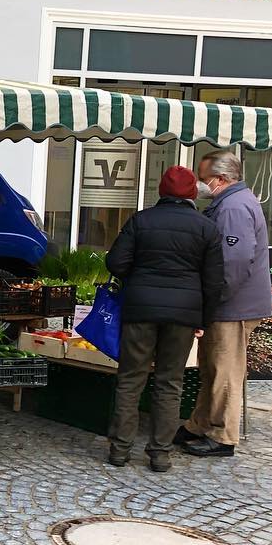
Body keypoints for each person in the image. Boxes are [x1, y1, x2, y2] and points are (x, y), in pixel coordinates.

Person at [105, 165, 225, 472]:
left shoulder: (141, 220)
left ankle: (119, 451)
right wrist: (203, 319)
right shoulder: (206, 227)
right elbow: (214, 282)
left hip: (140, 309)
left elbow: (116, 262)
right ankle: (159, 454)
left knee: (131, 379)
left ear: (162, 191)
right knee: (170, 383)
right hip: (184, 314)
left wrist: (140, 274)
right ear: (191, 194)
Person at [175, 150, 272, 458]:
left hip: (232, 305)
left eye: (204, 179)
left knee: (225, 370)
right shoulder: (230, 203)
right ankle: (200, 424)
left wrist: (213, 301)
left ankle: (223, 435)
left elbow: (234, 262)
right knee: (212, 367)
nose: (202, 185)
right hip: (230, 302)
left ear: (221, 179)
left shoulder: (233, 207)